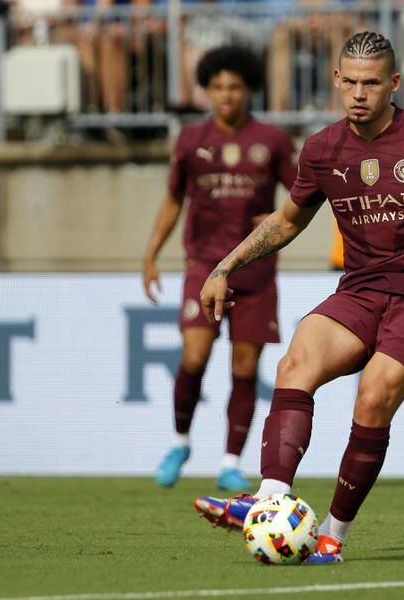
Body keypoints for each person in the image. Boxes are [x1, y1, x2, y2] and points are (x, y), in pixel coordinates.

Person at [193, 31, 404, 563]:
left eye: (372, 83)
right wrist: (224, 266)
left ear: (395, 84)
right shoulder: (322, 149)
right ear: (337, 80)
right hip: (362, 288)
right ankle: (269, 500)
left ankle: (332, 535)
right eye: (350, 83)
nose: (359, 94)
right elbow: (288, 220)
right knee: (296, 360)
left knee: (373, 394)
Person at [143, 45, 297, 491]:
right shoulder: (191, 140)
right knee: (194, 357)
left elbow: (303, 195)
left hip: (256, 271)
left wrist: (275, 218)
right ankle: (180, 442)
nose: (226, 95)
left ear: (249, 90)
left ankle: (230, 462)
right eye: (217, 87)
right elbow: (173, 199)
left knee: (244, 370)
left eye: (235, 87)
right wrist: (150, 254)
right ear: (206, 91)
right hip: (205, 268)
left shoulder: (273, 140)